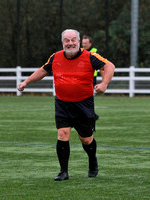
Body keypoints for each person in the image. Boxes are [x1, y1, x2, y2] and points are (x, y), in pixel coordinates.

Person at [17, 29, 115, 181]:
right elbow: (43, 70)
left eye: (73, 40)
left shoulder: (90, 56)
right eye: (67, 40)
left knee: (86, 139)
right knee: (62, 134)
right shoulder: (55, 57)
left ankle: (92, 161)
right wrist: (26, 82)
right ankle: (63, 172)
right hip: (62, 103)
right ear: (62, 42)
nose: (70, 43)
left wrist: (104, 84)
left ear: (78, 41)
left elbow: (109, 66)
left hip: (83, 104)